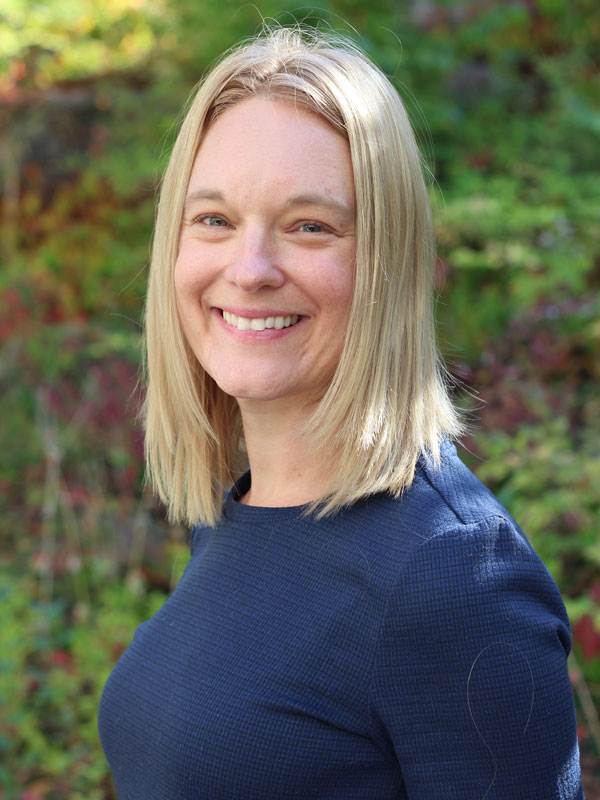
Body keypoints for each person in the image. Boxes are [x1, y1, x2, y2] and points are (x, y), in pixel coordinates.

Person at [98, 26, 584, 799]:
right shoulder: (241, 508)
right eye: (215, 220)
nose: (249, 269)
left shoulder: (453, 579)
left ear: (387, 261)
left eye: (310, 226)